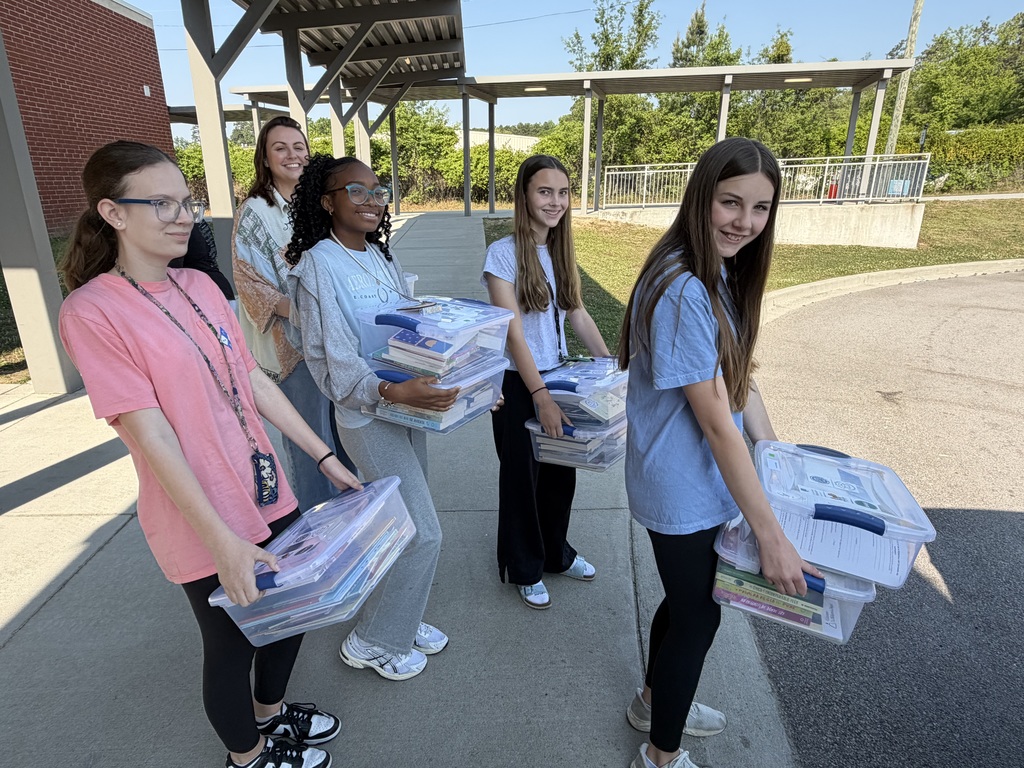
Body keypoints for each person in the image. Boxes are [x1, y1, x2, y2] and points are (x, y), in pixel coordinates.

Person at [57, 140, 363, 768]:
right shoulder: (91, 312)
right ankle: (246, 756)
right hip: (196, 510)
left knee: (290, 613)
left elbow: (249, 380)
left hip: (265, 485)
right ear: (113, 214)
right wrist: (222, 543)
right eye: (161, 204)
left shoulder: (198, 284)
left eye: (186, 202)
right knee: (231, 643)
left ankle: (270, 716)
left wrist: (324, 457)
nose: (184, 216)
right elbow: (151, 435)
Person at [617, 137, 823, 768]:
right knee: (700, 619)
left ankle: (655, 702)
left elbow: (738, 378)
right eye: (730, 202)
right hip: (683, 484)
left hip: (699, 481)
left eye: (761, 208)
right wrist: (772, 534)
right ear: (702, 196)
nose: (745, 221)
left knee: (686, 607)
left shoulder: (719, 270)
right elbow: (714, 423)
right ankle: (660, 755)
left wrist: (776, 450)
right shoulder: (683, 287)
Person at [284, 155, 449, 682]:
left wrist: (457, 364)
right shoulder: (318, 265)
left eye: (379, 190)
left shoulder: (381, 256)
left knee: (403, 525)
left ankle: (401, 616)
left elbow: (405, 326)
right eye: (356, 190)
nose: (373, 200)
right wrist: (388, 388)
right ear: (327, 201)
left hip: (405, 405)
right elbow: (330, 360)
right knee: (424, 532)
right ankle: (373, 640)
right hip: (368, 414)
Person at [481, 154, 610, 610]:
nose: (555, 202)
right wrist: (539, 395)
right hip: (520, 385)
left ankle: (556, 553)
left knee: (560, 475)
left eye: (562, 192)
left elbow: (576, 311)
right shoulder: (501, 253)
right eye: (544, 191)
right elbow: (512, 331)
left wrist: (608, 364)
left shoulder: (560, 250)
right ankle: (525, 567)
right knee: (522, 479)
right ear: (524, 196)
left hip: (559, 378)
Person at [233, 116, 353, 513]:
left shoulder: (320, 204)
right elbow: (249, 282)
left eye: (298, 146)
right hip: (293, 346)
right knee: (310, 440)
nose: (292, 155)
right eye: (280, 148)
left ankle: (354, 512)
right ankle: (319, 529)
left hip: (338, 334)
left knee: (347, 429)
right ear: (265, 159)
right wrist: (304, 311)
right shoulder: (255, 212)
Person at [171, 218, 236, 304]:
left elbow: (173, 270)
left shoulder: (181, 226)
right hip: (219, 287)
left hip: (206, 294)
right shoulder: (195, 220)